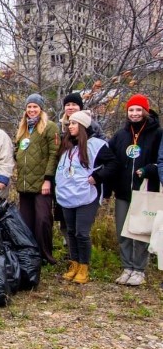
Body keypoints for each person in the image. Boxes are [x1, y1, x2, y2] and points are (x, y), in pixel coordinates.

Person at [55, 110, 117, 284]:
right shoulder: (67, 144)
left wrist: (97, 177)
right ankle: (73, 264)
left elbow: (113, 164)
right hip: (67, 195)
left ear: (82, 126)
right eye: (69, 124)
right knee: (71, 231)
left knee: (82, 232)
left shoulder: (96, 144)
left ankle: (84, 267)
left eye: (74, 124)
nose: (70, 127)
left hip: (86, 195)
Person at [109, 95, 162, 286]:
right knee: (123, 231)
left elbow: (160, 162)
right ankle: (127, 267)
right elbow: (111, 160)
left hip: (146, 189)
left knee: (140, 232)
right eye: (131, 110)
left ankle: (139, 270)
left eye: (138, 110)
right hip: (123, 191)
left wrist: (147, 170)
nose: (135, 114)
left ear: (145, 112)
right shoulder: (121, 134)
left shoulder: (157, 133)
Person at [14, 94, 60, 265]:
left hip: (42, 184)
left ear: (41, 109)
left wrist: (48, 179)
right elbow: (17, 150)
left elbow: (54, 154)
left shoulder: (50, 127)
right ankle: (31, 255)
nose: (32, 110)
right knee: (26, 222)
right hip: (24, 184)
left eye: (35, 107)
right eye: (29, 107)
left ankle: (46, 254)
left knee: (43, 220)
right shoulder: (23, 129)